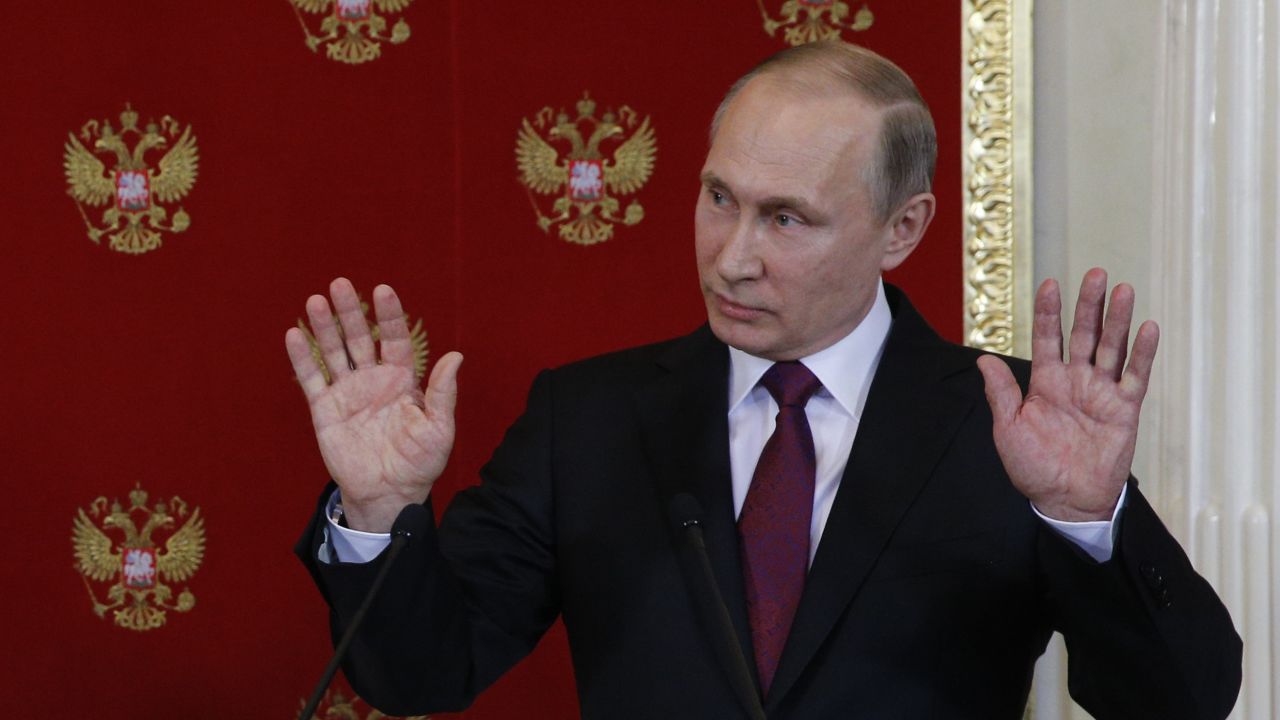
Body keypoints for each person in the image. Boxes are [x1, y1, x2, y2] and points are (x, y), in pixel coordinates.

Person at [289, 41, 1242, 719]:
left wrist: (1086, 519)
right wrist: (378, 516)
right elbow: (420, 676)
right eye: (718, 199)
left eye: (787, 219)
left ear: (902, 229)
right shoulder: (586, 420)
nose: (732, 257)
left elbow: (1181, 700)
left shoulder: (1012, 428)